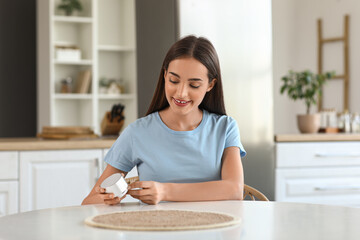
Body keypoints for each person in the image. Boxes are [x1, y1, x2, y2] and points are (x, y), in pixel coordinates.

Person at [82, 35, 246, 205]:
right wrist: (107, 199)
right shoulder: (137, 132)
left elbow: (234, 190)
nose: (181, 93)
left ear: (210, 85)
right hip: (156, 229)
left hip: (213, 228)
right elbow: (89, 202)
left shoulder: (225, 128)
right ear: (165, 75)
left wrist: (164, 191)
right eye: (173, 80)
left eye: (194, 85)